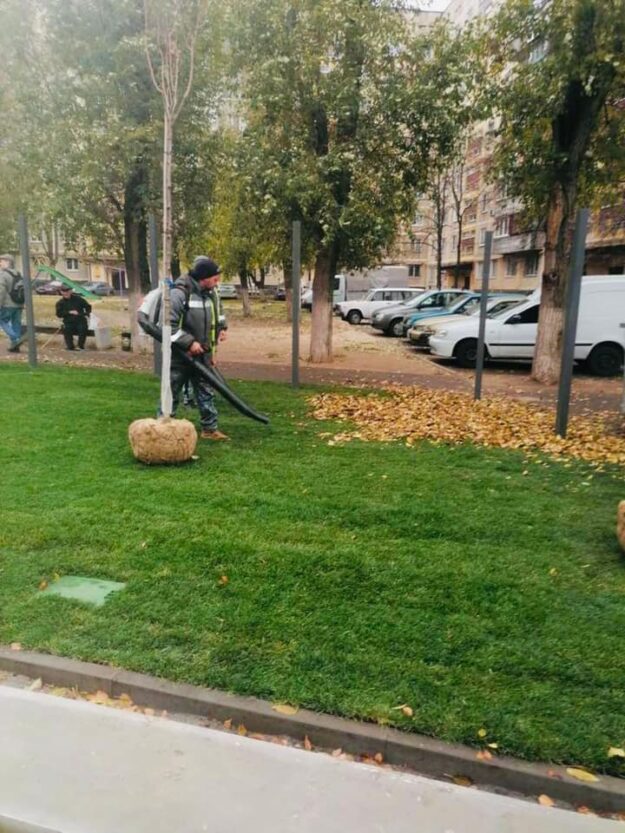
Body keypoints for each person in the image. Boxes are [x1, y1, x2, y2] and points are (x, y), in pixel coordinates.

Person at [169, 256, 228, 440]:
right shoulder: (179, 294)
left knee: (205, 392)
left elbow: (214, 320)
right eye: (215, 278)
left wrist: (220, 332)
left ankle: (209, 430)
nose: (217, 282)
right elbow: (167, 326)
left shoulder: (209, 294)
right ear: (203, 277)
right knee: (171, 392)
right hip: (180, 357)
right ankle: (163, 429)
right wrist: (189, 343)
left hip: (202, 356)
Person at [0, 254, 25, 353]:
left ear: (7, 262)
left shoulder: (3, 275)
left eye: (1, 261)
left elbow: (1, 291)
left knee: (2, 320)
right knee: (16, 323)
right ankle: (15, 346)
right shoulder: (18, 274)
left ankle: (16, 338)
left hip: (7, 304)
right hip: (19, 304)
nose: (0, 263)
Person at [55, 285, 92, 351]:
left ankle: (80, 346)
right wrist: (69, 312)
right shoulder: (60, 303)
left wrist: (85, 314)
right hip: (68, 321)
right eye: (63, 291)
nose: (66, 293)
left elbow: (88, 307)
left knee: (83, 328)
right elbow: (59, 314)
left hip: (80, 320)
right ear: (61, 292)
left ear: (71, 291)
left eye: (67, 291)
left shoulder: (79, 299)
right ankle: (70, 347)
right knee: (66, 329)